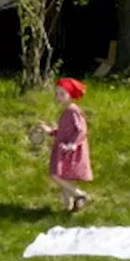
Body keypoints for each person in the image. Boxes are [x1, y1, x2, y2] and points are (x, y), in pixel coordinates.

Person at [41, 78, 92, 212]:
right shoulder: (67, 111)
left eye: (62, 93)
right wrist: (51, 131)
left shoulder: (73, 110)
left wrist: (72, 145)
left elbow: (81, 130)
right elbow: (65, 131)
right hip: (64, 148)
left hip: (70, 150)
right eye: (57, 93)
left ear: (70, 95)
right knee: (65, 177)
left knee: (55, 175)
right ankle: (68, 208)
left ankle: (80, 195)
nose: (58, 96)